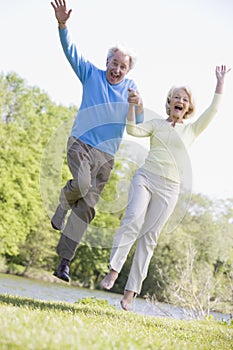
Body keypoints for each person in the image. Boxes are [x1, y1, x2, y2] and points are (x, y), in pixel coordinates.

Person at [100, 65, 230, 310]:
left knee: (148, 238)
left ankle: (130, 293)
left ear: (188, 107)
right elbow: (132, 130)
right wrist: (131, 107)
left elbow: (214, 110)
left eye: (184, 99)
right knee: (132, 219)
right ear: (169, 102)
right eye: (176, 97)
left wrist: (220, 83)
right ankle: (114, 270)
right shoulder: (156, 124)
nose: (179, 101)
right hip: (146, 178)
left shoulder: (192, 129)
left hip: (170, 188)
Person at [50, 0, 144, 282]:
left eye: (122, 67)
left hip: (106, 157)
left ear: (128, 70)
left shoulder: (131, 89)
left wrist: (137, 105)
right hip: (81, 143)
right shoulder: (91, 73)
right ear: (106, 62)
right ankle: (62, 201)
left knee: (87, 207)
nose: (116, 70)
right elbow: (70, 52)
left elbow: (136, 125)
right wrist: (63, 25)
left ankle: (64, 262)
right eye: (113, 64)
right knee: (81, 184)